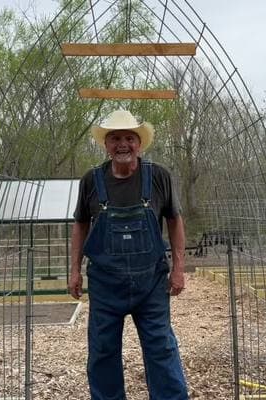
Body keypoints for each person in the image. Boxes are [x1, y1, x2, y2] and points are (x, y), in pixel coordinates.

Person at [69, 109, 188, 400]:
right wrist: (74, 269)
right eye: (115, 138)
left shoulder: (158, 176)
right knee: (103, 350)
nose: (123, 144)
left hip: (151, 283)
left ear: (140, 143)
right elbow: (81, 224)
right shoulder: (91, 180)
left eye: (129, 138)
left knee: (161, 347)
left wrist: (179, 268)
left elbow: (174, 220)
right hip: (105, 285)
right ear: (106, 144)